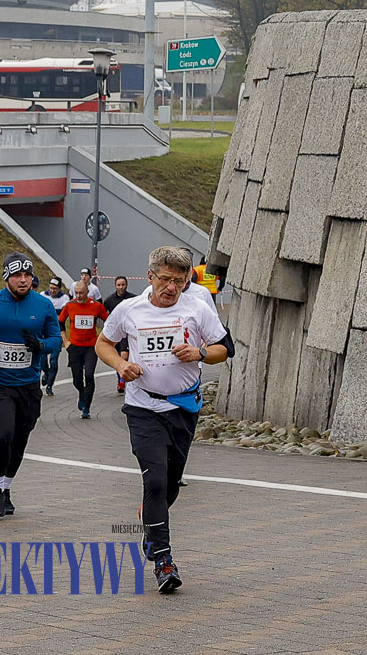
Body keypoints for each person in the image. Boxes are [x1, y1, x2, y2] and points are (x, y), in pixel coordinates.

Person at [96, 245, 229, 594]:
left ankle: (151, 527)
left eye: (179, 281)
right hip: (142, 408)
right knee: (154, 481)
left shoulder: (198, 309)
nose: (171, 287)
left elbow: (223, 349)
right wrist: (121, 365)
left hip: (183, 409)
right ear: (150, 276)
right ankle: (163, 560)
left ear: (187, 281)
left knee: (169, 486)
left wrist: (200, 352)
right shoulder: (129, 310)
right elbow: (104, 344)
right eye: (165, 279)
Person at [0, 253, 62, 518]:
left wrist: (41, 346)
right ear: (7, 277)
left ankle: (6, 489)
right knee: (3, 434)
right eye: (17, 275)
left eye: (27, 275)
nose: (23, 280)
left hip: (28, 385)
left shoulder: (43, 305)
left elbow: (56, 339)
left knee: (20, 439)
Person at [59, 276, 109, 418]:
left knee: (89, 375)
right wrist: (66, 341)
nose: (79, 296)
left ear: (87, 292)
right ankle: (82, 392)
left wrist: (102, 339)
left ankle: (86, 407)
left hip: (91, 347)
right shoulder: (70, 306)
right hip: (74, 346)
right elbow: (60, 322)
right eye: (76, 293)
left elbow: (108, 322)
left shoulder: (96, 306)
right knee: (77, 380)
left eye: (81, 293)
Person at [40, 276, 70, 394]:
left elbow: (62, 313)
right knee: (42, 359)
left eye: (55, 289)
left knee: (53, 360)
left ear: (59, 289)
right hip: (43, 331)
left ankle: (50, 386)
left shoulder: (64, 298)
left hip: (56, 332)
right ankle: (46, 372)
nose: (52, 291)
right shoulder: (43, 295)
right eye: (51, 288)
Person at [104, 275, 133, 395]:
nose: (121, 287)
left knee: (125, 356)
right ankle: (120, 378)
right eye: (119, 285)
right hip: (116, 334)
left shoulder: (132, 299)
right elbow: (103, 314)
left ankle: (123, 381)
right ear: (115, 286)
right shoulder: (110, 300)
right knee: (119, 358)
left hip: (128, 333)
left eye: (123, 285)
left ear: (126, 285)